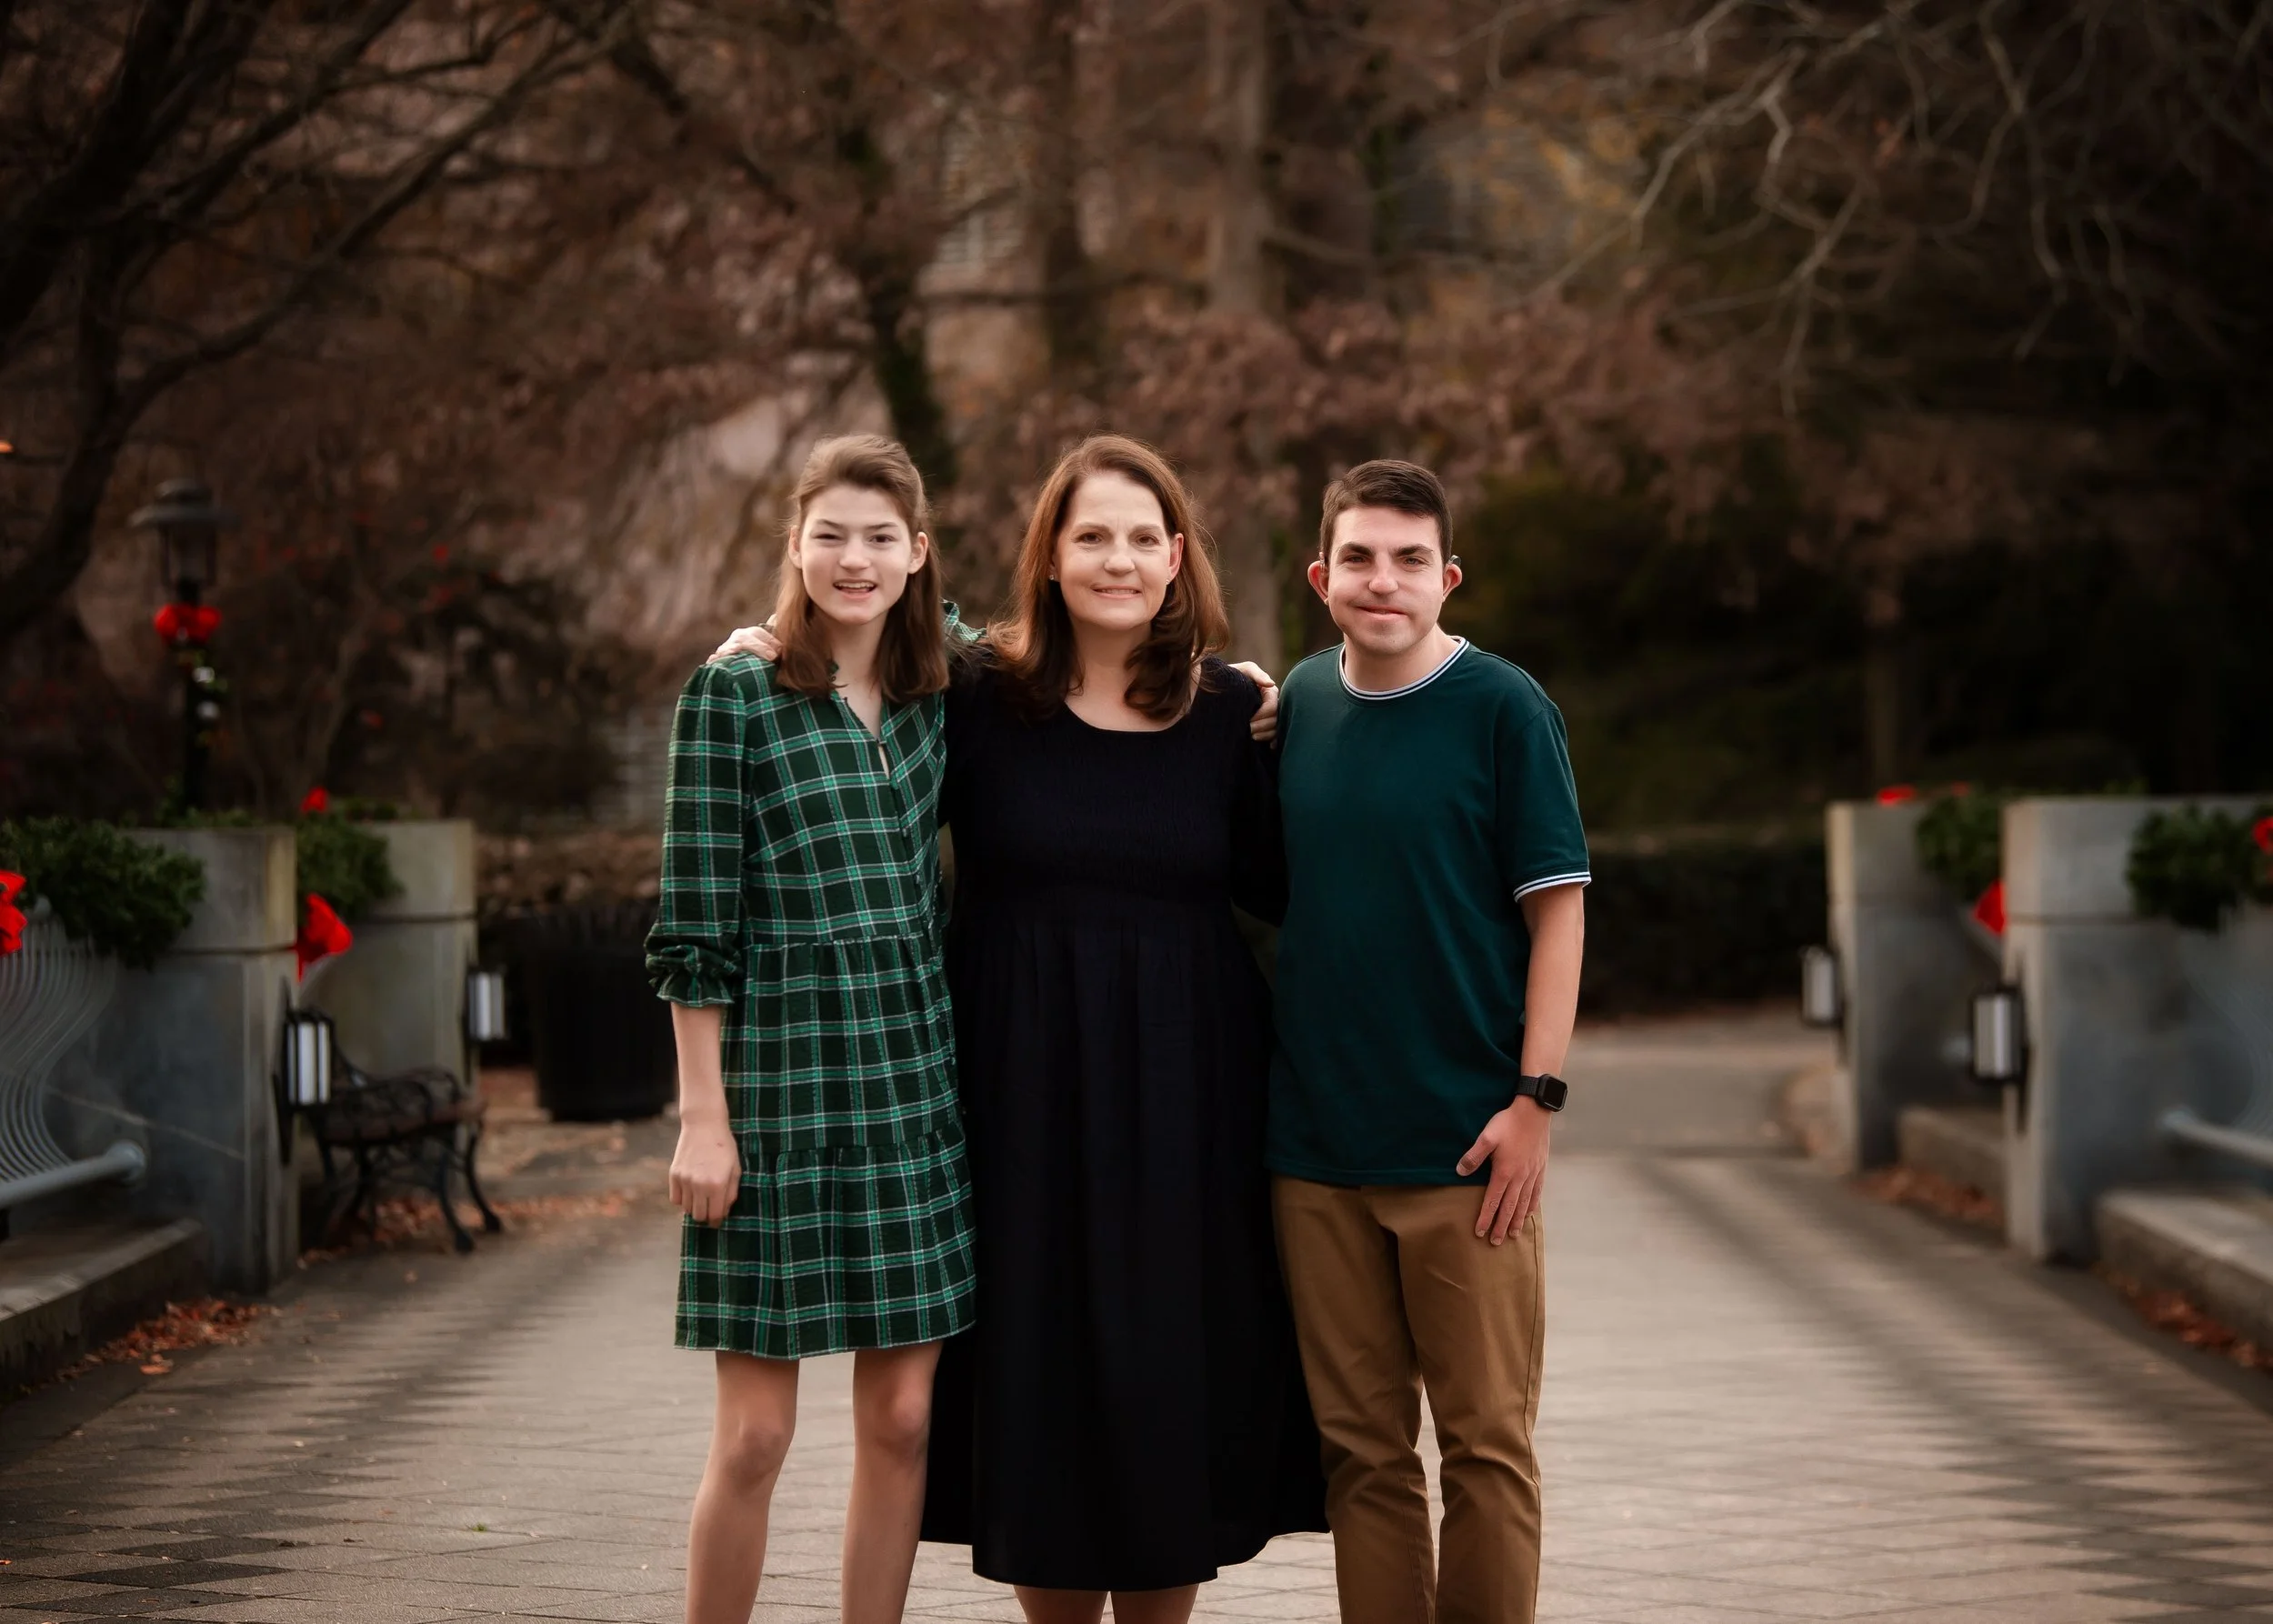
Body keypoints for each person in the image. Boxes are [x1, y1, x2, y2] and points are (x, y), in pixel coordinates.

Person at [713, 434, 1323, 1624]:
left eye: (1144, 536)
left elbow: (1288, 886)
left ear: (1178, 556)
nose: (1118, 557)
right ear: (1049, 554)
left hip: (1185, 1099)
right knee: (1043, 1377)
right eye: (1092, 534)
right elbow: (852, 683)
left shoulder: (1232, 714)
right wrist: (764, 646)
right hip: (1013, 1091)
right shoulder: (979, 694)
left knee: (1161, 1376)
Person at [646, 434, 973, 1624]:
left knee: (901, 1418)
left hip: (911, 1090)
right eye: (830, 532)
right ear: (793, 544)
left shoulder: (949, 686)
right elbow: (693, 925)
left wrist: (1234, 680)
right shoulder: (734, 694)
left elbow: (1066, 658)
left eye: (881, 536)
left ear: (918, 553)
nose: (855, 556)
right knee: (756, 1435)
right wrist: (703, 1118)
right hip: (775, 1097)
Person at [1267, 459, 1587, 1624]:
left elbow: (1558, 910)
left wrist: (1534, 1102)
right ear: (1321, 575)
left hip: (1465, 1149)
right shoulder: (1296, 703)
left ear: (1447, 577)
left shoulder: (1504, 707)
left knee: (1486, 1448)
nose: (1382, 579)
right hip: (1313, 1151)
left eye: (1409, 559)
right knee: (1361, 1455)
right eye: (1358, 556)